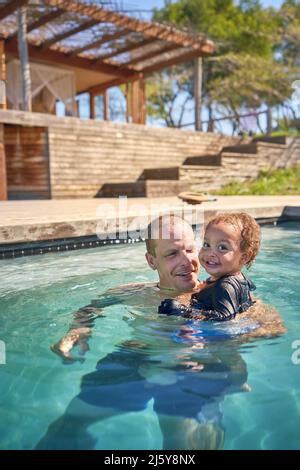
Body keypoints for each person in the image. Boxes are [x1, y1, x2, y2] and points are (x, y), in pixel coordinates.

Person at [158, 212, 261, 322]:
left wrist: (182, 311)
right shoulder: (240, 279)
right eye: (207, 245)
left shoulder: (224, 286)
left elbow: (225, 317)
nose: (210, 253)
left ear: (244, 257)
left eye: (222, 247)